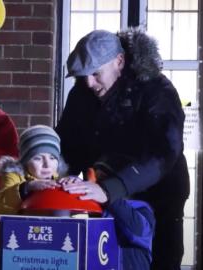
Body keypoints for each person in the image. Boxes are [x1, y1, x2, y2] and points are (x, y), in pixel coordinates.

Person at [56, 28, 189, 270]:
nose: (89, 83)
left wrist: (110, 189)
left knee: (162, 260)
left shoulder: (156, 89)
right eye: (82, 75)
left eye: (96, 73)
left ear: (119, 61)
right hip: (106, 194)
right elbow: (68, 142)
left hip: (161, 195)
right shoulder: (82, 91)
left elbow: (164, 151)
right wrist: (54, 174)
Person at [61, 161, 155, 270]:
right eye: (95, 178)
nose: (97, 184)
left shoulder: (141, 208)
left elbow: (138, 230)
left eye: (103, 179)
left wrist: (110, 195)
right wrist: (73, 184)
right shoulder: (95, 208)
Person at [0, 125, 69, 214]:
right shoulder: (14, 177)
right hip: (23, 227)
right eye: (38, 158)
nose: (47, 165)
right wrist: (26, 188)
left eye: (52, 158)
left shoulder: (60, 179)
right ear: (26, 161)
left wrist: (75, 188)